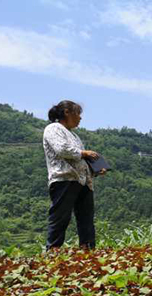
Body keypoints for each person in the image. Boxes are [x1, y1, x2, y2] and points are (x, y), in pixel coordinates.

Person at [43, 100, 105, 250]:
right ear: (67, 112)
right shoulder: (53, 128)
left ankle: (88, 251)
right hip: (64, 179)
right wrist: (84, 153)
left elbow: (79, 161)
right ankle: (53, 252)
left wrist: (94, 171)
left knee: (86, 219)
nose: (80, 118)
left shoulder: (74, 136)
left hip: (83, 181)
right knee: (60, 218)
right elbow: (62, 149)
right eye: (78, 113)